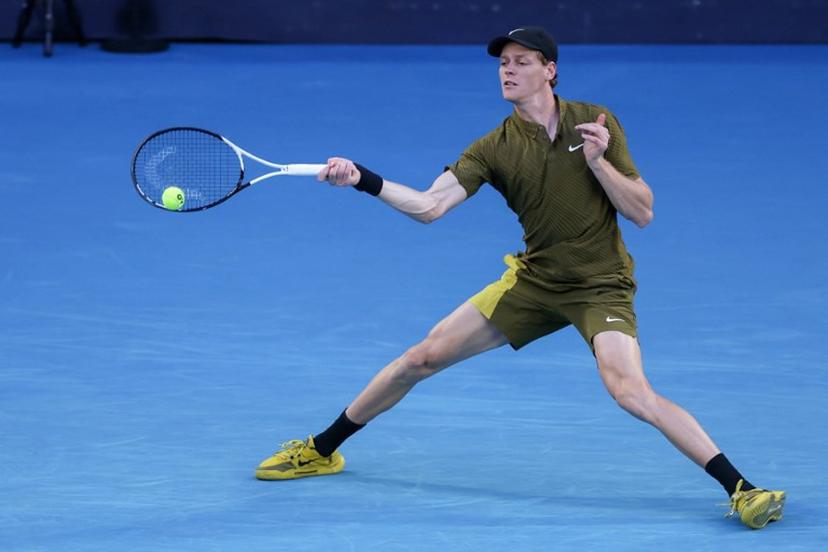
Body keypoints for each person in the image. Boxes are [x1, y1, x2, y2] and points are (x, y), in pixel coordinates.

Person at [254, 27, 785, 529]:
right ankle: (321, 449)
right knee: (420, 358)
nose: (507, 71)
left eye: (521, 62)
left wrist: (599, 162)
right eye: (503, 64)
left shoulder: (595, 122)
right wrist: (363, 180)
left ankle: (742, 489)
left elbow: (642, 212)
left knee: (630, 391)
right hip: (534, 283)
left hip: (600, 285)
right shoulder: (493, 148)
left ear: (549, 70)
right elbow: (429, 206)